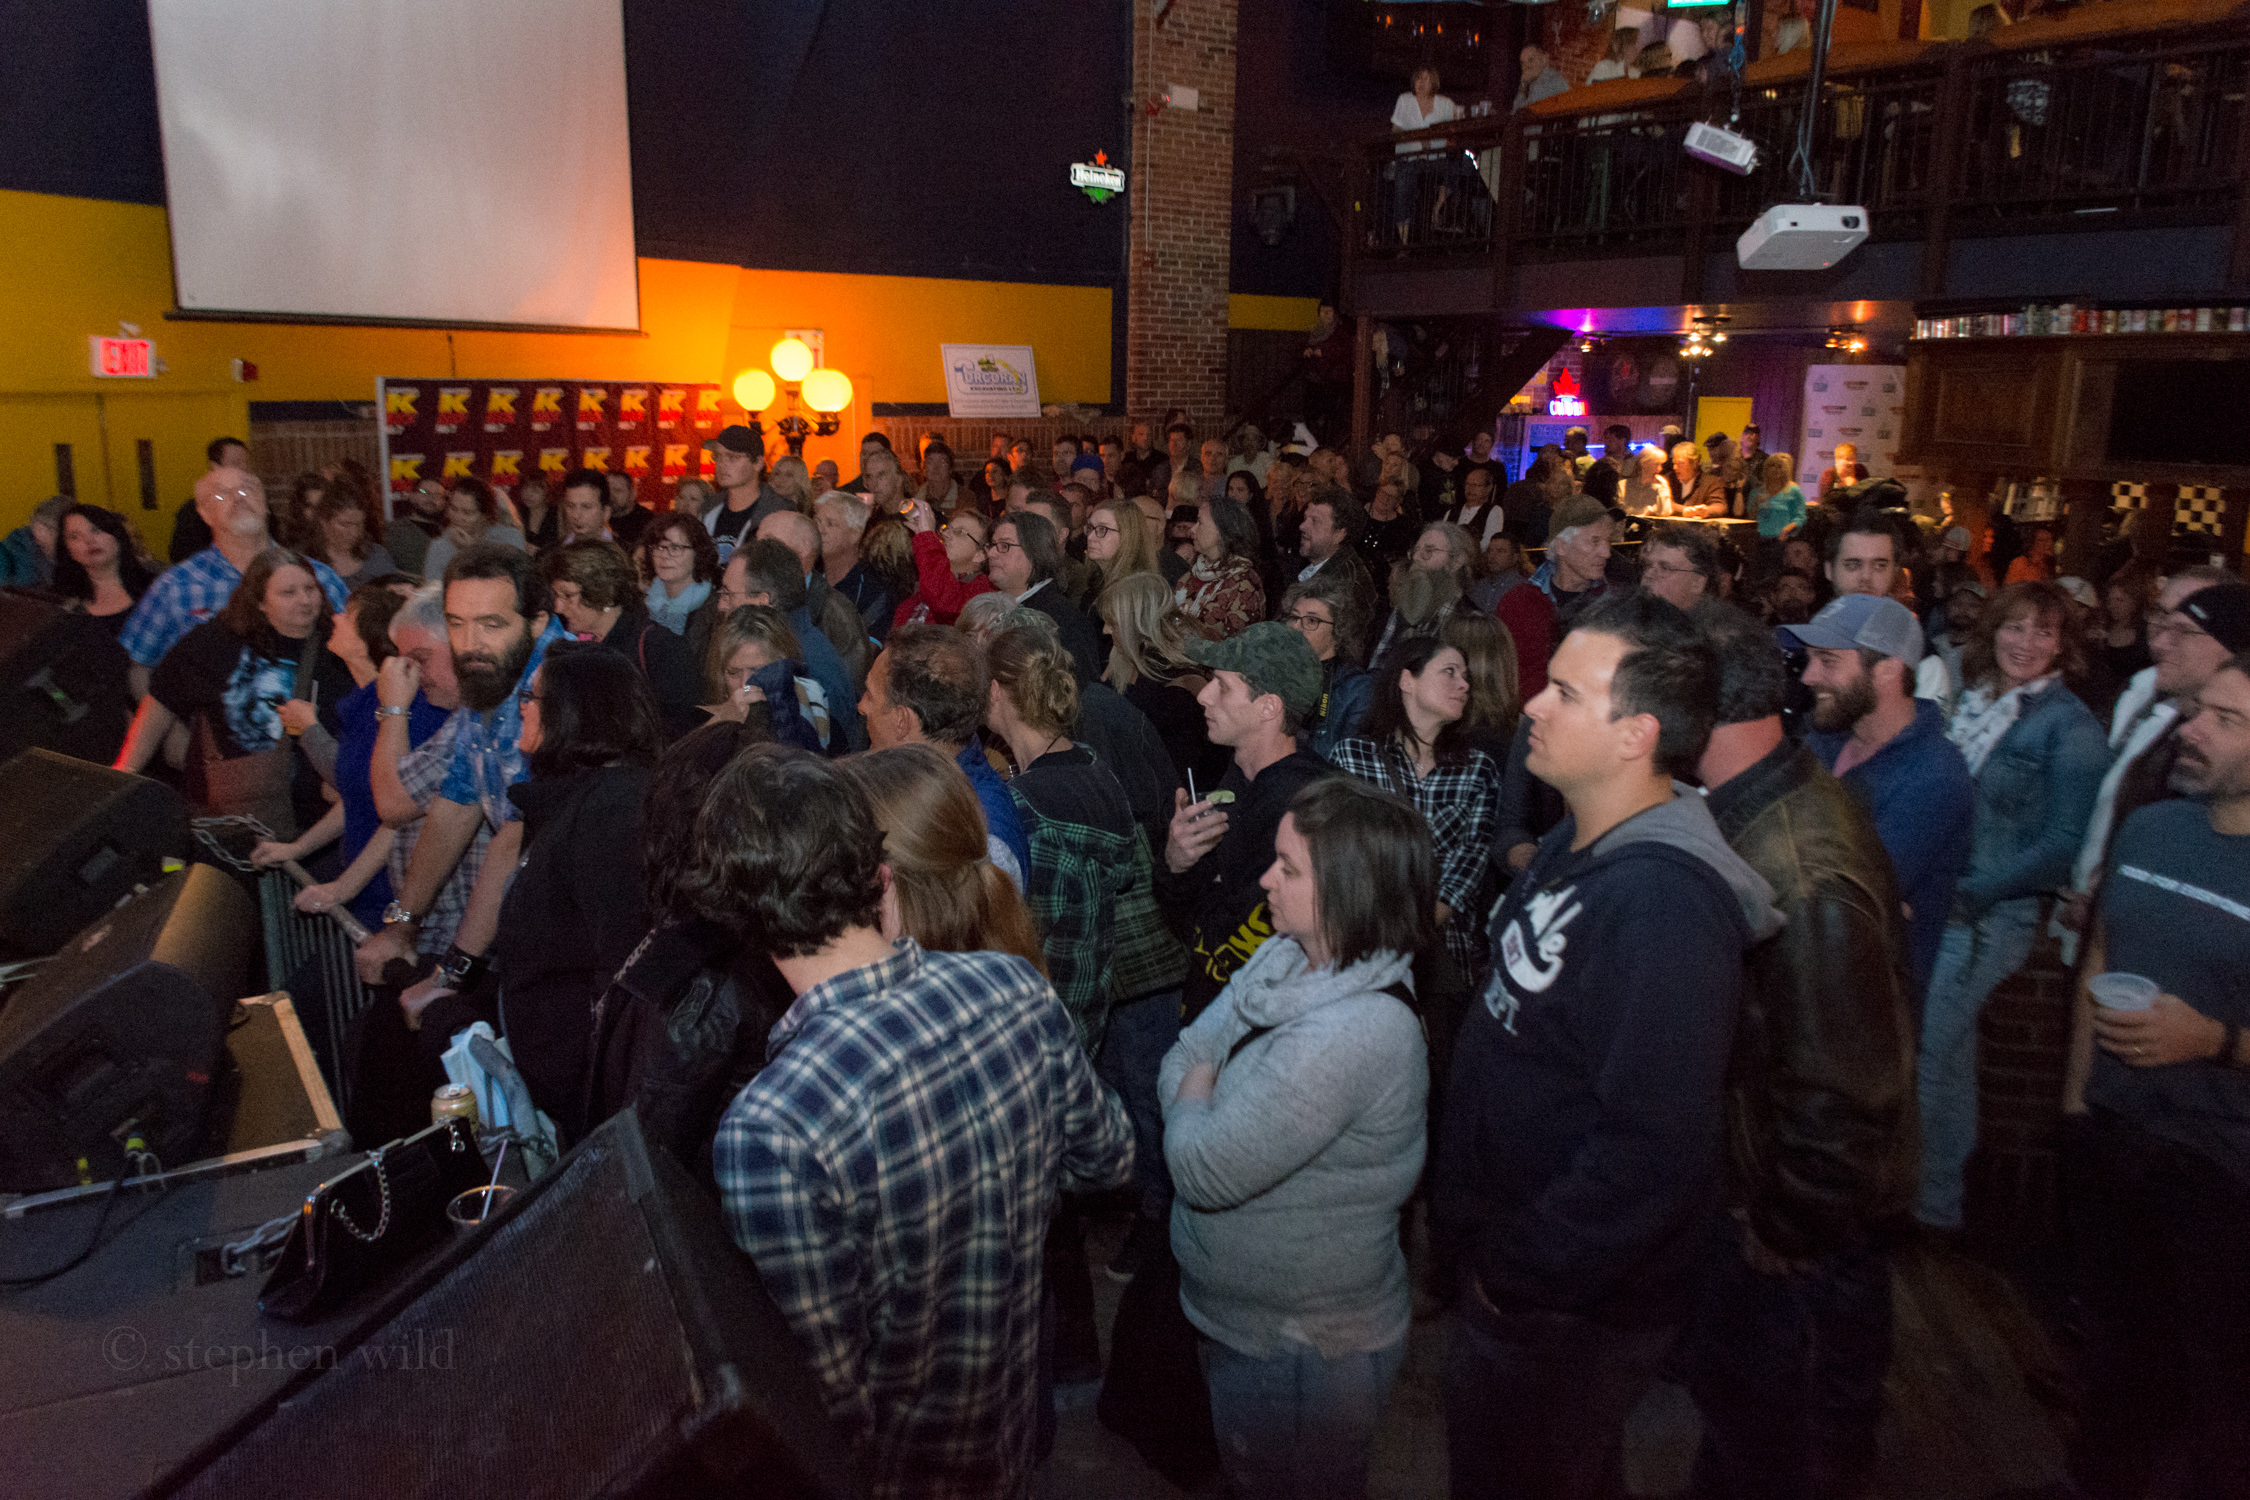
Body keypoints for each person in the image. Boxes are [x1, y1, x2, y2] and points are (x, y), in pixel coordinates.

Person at [703, 747, 1133, 1496]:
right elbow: (1111, 1157)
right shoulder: (1010, 984)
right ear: (880, 874)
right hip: (1012, 1432)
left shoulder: (771, 1128)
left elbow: (826, 1401)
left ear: (743, 924)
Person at [1435, 591, 1780, 1500]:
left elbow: (1653, 1150)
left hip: (1567, 1304)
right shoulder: (1577, 841)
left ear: (1637, 735)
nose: (1532, 706)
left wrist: (1518, 1272)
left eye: (1564, 693)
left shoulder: (1664, 906)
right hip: (1527, 1278)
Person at [1686, 601, 1921, 1500]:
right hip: (1772, 1204)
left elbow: (1842, 1090)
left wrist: (1789, 1225)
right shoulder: (1759, 804)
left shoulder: (1805, 867)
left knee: (1790, 1444)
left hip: (1802, 1237)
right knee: (1745, 1426)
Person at [1160, 777, 1433, 1500]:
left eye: (1288, 868)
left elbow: (1199, 1166)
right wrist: (1198, 1085)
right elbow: (1183, 1052)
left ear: (1348, 891)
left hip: (1301, 1348)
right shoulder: (1288, 953)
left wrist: (1198, 1088)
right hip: (1252, 1325)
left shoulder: (1353, 1033)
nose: (1264, 880)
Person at [2060, 649, 2250, 1500]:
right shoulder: (2152, 827)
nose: (2191, 729)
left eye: (2225, 720)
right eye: (2198, 709)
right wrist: (2074, 1106)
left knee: (2217, 1396)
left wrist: (2216, 1039)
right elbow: (2100, 957)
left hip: (2222, 1169)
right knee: (2115, 1360)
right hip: (2114, 1138)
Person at [408, 644, 660, 1145]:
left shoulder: (611, 810)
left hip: (585, 1111)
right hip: (560, 1089)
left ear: (575, 711)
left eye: (532, 696)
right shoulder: (572, 800)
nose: (520, 707)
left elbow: (624, 975)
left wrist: (597, 1117)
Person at [1917, 580, 2108, 1231]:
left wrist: (1971, 893)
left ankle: (1905, 1204)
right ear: (1992, 629)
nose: (2026, 643)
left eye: (2043, 632)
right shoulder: (1975, 700)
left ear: (2063, 644)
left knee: (1925, 1055)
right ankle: (1939, 1207)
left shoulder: (2071, 728)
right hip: (1950, 902)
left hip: (1986, 918)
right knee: (1952, 1062)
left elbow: (2062, 849)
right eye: (2015, 626)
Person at [351, 544, 568, 993]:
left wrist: (449, 973)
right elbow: (457, 800)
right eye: (456, 623)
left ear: (537, 622)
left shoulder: (556, 691)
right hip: (531, 929)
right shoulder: (493, 675)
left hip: (575, 946)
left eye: (491, 624)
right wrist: (402, 928)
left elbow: (514, 840)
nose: (470, 644)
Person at [1794, 593, 1977, 1003]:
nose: (1808, 676)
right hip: (1808, 990)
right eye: (1809, 659)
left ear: (1887, 671)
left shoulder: (1934, 774)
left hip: (1870, 1010)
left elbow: (1844, 901)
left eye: (1828, 661)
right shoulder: (1822, 742)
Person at [2060, 573, 2250, 944]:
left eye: (2184, 632)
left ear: (2233, 653)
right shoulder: (2164, 720)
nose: (2160, 643)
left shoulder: (2221, 759)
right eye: (2161, 621)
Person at [1158, 622, 1333, 1022]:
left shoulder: (1307, 807)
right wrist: (1176, 862)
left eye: (1222, 686)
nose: (1203, 696)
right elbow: (1193, 922)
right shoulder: (1238, 777)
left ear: (1268, 707)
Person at [115, 546, 356, 835]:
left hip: (313, 821)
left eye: (310, 588)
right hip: (229, 818)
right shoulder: (216, 642)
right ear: (260, 602)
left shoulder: (339, 647)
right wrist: (121, 778)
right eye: (288, 593)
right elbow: (159, 705)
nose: (304, 600)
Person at [984, 624, 1144, 1052]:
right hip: (1088, 1017)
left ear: (995, 691)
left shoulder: (1026, 808)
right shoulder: (1094, 768)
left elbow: (1021, 939)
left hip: (1040, 1033)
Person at [249, 582, 427, 925]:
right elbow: (356, 797)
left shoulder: (406, 711)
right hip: (361, 881)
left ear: (368, 639)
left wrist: (343, 887)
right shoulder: (362, 702)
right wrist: (298, 848)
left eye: (348, 615)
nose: (336, 618)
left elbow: (398, 815)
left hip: (392, 889)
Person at [1330, 636, 1501, 976]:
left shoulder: (1477, 770)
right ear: (1407, 680)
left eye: (1465, 676)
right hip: (1361, 942)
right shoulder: (1353, 757)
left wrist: (1411, 933)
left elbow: (1469, 862)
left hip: (1442, 953)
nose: (1464, 685)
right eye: (1449, 672)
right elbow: (1338, 854)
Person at [121, 466, 349, 698]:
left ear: (265, 503)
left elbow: (356, 654)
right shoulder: (176, 587)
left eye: (246, 490)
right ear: (204, 513)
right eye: (222, 494)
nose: (238, 498)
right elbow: (138, 665)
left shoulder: (318, 578)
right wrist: (167, 719)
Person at [859, 622, 1029, 885]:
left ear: (902, 720)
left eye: (870, 695)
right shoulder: (911, 780)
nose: (861, 706)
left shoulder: (981, 843)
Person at [541, 539, 701, 739]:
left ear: (604, 592)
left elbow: (681, 729)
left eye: (568, 595)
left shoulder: (660, 646)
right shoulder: (577, 646)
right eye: (556, 595)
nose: (558, 607)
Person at [720, 539, 864, 752]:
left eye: (728, 595)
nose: (721, 605)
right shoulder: (797, 647)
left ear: (762, 602)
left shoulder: (806, 672)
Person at [1101, 572, 1226, 799]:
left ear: (1135, 625)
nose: (1105, 630)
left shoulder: (1177, 692)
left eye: (1112, 622)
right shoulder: (1123, 664)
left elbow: (1178, 783)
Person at [1497, 493, 1613, 699]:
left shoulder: (1615, 607)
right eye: (1595, 541)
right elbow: (1498, 675)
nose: (1606, 552)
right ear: (1562, 546)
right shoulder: (1517, 603)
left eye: (1608, 541)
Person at [988, 509, 1105, 683]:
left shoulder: (1062, 619)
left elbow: (1076, 688)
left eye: (1004, 546)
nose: (991, 553)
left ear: (1034, 552)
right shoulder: (995, 607)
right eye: (992, 545)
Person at [701, 603, 831, 754]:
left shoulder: (813, 713)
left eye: (757, 672)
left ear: (782, 666)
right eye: (733, 672)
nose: (745, 685)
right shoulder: (696, 721)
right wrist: (721, 721)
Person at [1280, 572, 1375, 760]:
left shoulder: (1357, 690)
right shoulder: (1278, 672)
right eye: (1294, 617)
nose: (1296, 627)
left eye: (1312, 620)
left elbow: (1346, 764)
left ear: (1339, 630)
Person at [52, 503, 156, 638]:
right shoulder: (64, 604)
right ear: (67, 549)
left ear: (117, 535)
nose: (89, 540)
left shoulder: (156, 588)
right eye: (75, 536)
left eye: (96, 530)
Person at [1176, 496, 1264, 643]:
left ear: (1221, 529)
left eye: (1200, 522)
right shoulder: (1192, 574)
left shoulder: (1244, 583)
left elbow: (1237, 646)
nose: (1192, 530)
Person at [894, 501, 995, 628]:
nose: (946, 534)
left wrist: (926, 538)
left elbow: (944, 604)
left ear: (980, 554)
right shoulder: (926, 578)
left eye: (960, 532)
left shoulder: (983, 589)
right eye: (947, 528)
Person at [813, 490, 895, 641]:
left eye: (830, 523)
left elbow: (866, 650)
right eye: (817, 522)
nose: (820, 530)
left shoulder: (873, 590)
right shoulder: (808, 577)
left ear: (855, 534)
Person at [638, 511, 723, 654]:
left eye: (675, 548)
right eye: (659, 547)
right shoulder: (644, 603)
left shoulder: (715, 610)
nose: (664, 555)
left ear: (698, 553)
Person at [698, 424, 787, 561]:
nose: (721, 463)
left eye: (732, 457)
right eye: (717, 456)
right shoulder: (709, 508)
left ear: (757, 463)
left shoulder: (778, 513)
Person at [421, 477, 526, 581]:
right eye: (453, 508)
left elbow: (515, 581)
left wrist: (472, 551)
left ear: (485, 515)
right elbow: (434, 588)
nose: (458, 517)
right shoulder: (439, 547)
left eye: (467, 513)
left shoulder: (509, 538)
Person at [165, 435, 247, 564]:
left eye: (246, 463)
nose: (243, 469)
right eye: (236, 463)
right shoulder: (194, 512)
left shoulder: (254, 505)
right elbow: (183, 556)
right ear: (214, 467)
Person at [1085, 498, 1164, 592]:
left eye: (1102, 529)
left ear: (1128, 536)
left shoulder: (1138, 591)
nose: (1090, 537)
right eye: (1091, 528)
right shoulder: (1093, 583)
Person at [1639, 522, 1721, 612]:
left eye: (1665, 568)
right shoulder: (1632, 612)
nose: (1648, 574)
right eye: (1648, 565)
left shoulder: (1718, 620)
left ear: (1697, 583)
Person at [1754, 453, 1807, 540]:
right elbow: (1752, 518)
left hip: (1781, 539)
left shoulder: (1793, 490)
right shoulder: (1758, 491)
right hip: (1759, 538)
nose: (1775, 469)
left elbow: (1800, 517)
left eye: (1779, 466)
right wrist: (1756, 505)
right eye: (1772, 465)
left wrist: (1787, 529)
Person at [1512, 44, 1569, 110]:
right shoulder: (1535, 79)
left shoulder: (1547, 81)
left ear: (1544, 59)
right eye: (1522, 63)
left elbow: (1521, 112)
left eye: (1531, 60)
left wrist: (1523, 86)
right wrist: (1523, 86)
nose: (1525, 67)